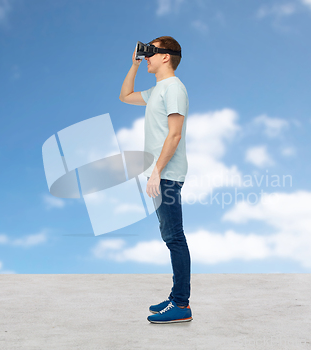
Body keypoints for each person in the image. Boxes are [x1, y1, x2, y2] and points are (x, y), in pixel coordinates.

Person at [119, 36, 192, 324]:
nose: (147, 55)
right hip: (160, 173)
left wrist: (158, 171)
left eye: (152, 51)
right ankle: (176, 297)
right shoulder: (158, 90)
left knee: (175, 237)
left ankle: (182, 305)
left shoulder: (173, 88)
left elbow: (175, 134)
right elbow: (125, 96)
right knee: (169, 236)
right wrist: (134, 65)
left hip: (167, 174)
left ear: (166, 57)